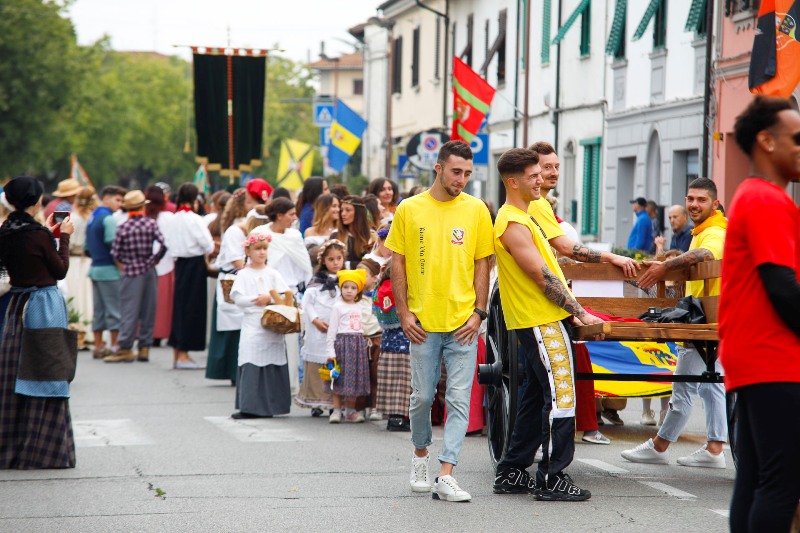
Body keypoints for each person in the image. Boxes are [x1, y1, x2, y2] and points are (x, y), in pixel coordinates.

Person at [385, 140, 494, 502]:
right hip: (423, 322)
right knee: (421, 397)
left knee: (460, 399)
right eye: (455, 171)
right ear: (438, 168)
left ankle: (447, 474)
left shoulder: (477, 209)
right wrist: (404, 312)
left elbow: (483, 263)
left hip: (463, 321)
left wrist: (479, 313)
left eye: (467, 173)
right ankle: (420, 456)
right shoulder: (409, 208)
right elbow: (397, 262)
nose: (461, 179)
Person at [491, 148, 600, 501]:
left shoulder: (524, 216)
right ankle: (552, 477)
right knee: (561, 396)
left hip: (538, 319)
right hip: (540, 319)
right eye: (534, 175)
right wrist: (581, 312)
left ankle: (511, 472)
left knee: (535, 395)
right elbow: (543, 278)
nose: (542, 180)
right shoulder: (512, 222)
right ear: (513, 182)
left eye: (542, 173)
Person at [719, 96, 800, 532]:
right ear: (766, 141)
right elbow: (782, 287)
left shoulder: (752, 196)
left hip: (755, 358)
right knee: (780, 484)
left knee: (754, 481)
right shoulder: (767, 200)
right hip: (775, 358)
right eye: (797, 139)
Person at [527, 141, 639, 444]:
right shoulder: (536, 205)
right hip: (548, 303)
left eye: (556, 167)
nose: (553, 173)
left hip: (560, 298)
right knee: (557, 384)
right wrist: (612, 257)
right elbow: (566, 249)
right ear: (532, 171)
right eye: (546, 167)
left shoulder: (541, 205)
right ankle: (556, 453)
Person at [621, 177, 727, 468]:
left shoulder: (715, 231)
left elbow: (709, 254)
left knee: (688, 385)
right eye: (690, 199)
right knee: (706, 385)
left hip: (705, 321)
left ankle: (664, 446)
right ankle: (712, 448)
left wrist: (665, 266)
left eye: (701, 200)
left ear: (715, 204)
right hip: (703, 318)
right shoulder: (703, 230)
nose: (694, 204)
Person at [0, 176, 76, 469]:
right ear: (38, 201)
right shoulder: (40, 235)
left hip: (16, 306)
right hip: (43, 304)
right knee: (47, 373)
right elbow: (59, 270)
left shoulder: (5, 232)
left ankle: (11, 447)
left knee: (14, 372)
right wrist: (64, 237)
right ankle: (44, 450)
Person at [252, 197, 313, 394]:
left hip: (290, 294)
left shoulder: (294, 235)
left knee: (291, 345)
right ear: (279, 216)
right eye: (291, 214)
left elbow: (304, 265)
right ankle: (264, 384)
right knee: (264, 341)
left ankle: (289, 385)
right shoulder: (259, 234)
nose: (295, 218)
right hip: (265, 294)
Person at [230, 231, 292, 419]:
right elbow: (237, 298)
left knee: (273, 360)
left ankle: (273, 405)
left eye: (265, 248)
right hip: (252, 323)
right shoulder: (243, 274)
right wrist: (256, 300)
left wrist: (270, 298)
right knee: (251, 359)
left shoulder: (273, 273)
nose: (262, 252)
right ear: (248, 251)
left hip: (272, 324)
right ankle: (250, 406)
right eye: (258, 249)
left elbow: (285, 295)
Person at [104, 190, 167, 363]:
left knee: (129, 310)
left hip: (131, 271)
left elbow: (115, 253)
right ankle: (144, 348)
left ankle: (125, 347)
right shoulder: (151, 224)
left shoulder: (123, 227)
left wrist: (124, 265)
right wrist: (155, 259)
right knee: (148, 309)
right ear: (142, 206)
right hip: (148, 269)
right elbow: (163, 244)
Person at [164, 183, 215, 369]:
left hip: (179, 264)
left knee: (179, 307)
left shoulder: (173, 219)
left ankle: (177, 353)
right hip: (194, 264)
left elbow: (167, 243)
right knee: (191, 308)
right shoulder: (194, 219)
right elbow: (207, 244)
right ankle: (184, 355)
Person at [295, 240, 346, 414]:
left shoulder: (345, 280)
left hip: (336, 330)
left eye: (339, 258)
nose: (336, 263)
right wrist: (315, 320)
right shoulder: (316, 282)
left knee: (334, 364)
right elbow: (307, 304)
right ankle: (315, 402)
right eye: (331, 259)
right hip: (318, 329)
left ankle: (333, 402)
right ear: (323, 261)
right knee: (317, 366)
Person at [206, 189, 250, 385]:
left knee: (239, 327)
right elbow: (235, 260)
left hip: (242, 278)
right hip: (233, 280)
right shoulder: (235, 229)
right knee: (231, 328)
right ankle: (230, 370)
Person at [85, 185, 126, 358]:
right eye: (118, 200)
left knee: (99, 310)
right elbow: (113, 244)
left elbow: (87, 247)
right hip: (109, 269)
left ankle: (98, 345)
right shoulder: (109, 219)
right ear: (106, 198)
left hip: (94, 267)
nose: (120, 204)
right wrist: (121, 264)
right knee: (114, 308)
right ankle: (115, 345)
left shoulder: (92, 216)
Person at [326, 270, 371, 423]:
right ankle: (337, 411)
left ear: (358, 289)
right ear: (341, 288)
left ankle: (351, 411)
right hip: (342, 346)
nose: (349, 291)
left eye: (353, 287)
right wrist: (330, 352)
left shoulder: (360, 305)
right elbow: (332, 331)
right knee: (338, 378)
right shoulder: (337, 307)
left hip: (357, 346)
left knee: (353, 379)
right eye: (346, 287)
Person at [373, 259, 412, 431]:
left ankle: (392, 418)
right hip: (405, 342)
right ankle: (400, 419)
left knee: (389, 382)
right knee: (404, 383)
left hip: (388, 342)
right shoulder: (402, 289)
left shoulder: (379, 289)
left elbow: (377, 312)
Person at [144, 186, 175, 345]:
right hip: (164, 262)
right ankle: (160, 333)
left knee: (145, 300)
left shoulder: (143, 218)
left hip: (145, 263)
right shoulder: (168, 217)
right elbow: (171, 241)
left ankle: (144, 333)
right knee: (162, 302)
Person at [66, 186, 97, 339]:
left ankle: (75, 328)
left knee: (74, 294)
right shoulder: (93, 218)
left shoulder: (71, 218)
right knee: (87, 295)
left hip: (73, 260)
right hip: (88, 260)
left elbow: (67, 242)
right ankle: (88, 330)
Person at [356, 258, 383, 420]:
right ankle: (358, 407)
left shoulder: (380, 294)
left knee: (376, 374)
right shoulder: (354, 295)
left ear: (374, 277)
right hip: (360, 339)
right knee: (360, 375)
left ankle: (375, 406)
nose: (359, 278)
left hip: (377, 338)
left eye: (363, 275)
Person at [332, 195, 375, 269]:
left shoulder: (372, 236)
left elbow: (374, 264)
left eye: (348, 210)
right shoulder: (336, 236)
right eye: (342, 210)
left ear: (358, 213)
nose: (343, 214)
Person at [304, 193, 340, 261]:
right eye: (334, 206)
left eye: (338, 206)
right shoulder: (309, 232)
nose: (338, 209)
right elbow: (310, 257)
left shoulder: (340, 230)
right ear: (324, 208)